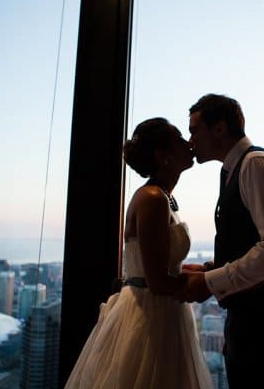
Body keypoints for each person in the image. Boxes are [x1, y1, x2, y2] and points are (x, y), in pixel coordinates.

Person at [64, 117, 214, 389]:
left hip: (165, 312)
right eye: (180, 139)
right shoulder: (153, 198)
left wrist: (201, 270)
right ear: (163, 156)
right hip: (150, 315)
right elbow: (156, 281)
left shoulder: (164, 197)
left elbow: (161, 264)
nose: (188, 143)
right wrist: (206, 283)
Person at [177, 94, 264, 389]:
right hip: (254, 312)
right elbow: (250, 241)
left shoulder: (256, 164)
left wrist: (211, 281)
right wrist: (212, 268)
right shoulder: (234, 169)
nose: (190, 140)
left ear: (219, 129)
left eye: (195, 130)